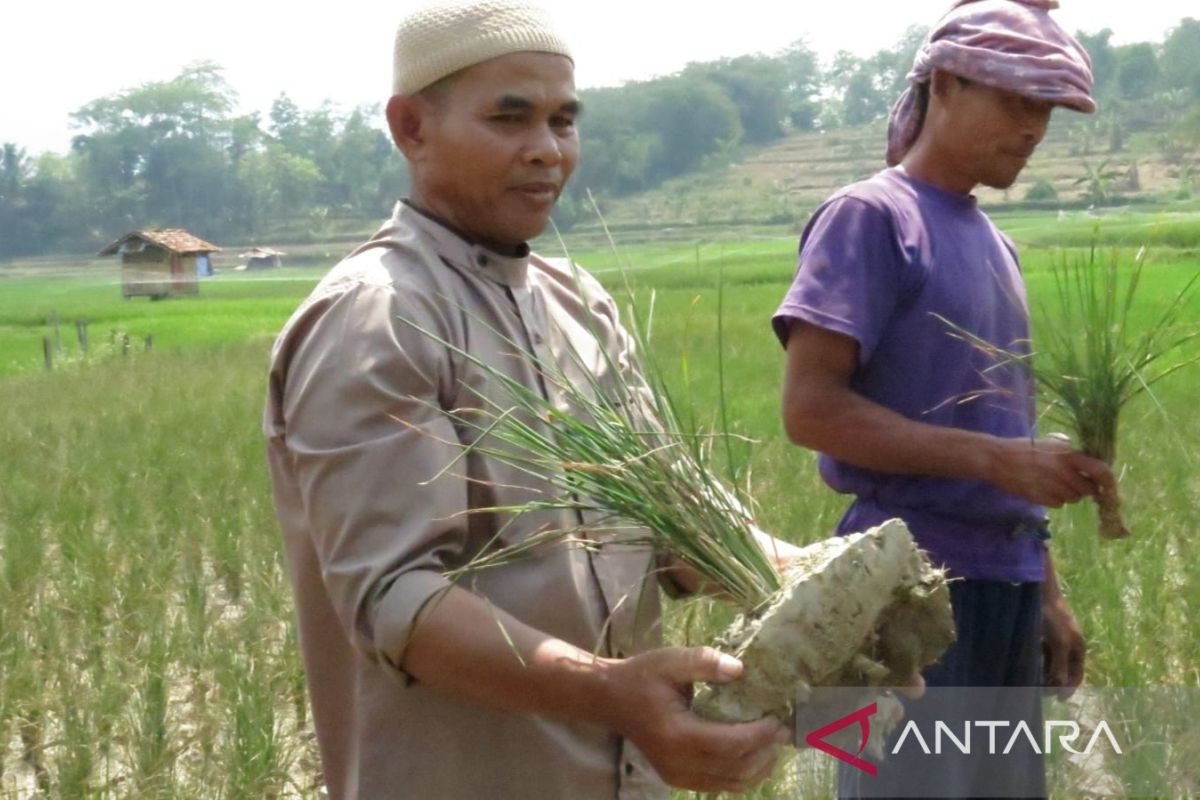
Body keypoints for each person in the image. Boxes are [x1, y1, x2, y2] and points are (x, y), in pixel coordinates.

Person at [263, 4, 794, 798]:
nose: (547, 150)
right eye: (510, 119)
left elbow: (671, 523)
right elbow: (396, 598)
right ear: (411, 128)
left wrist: (803, 583)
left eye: (562, 120)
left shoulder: (578, 304)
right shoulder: (378, 316)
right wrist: (613, 692)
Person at [771, 0, 1117, 796]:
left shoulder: (998, 244)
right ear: (949, 84)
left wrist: (1048, 593)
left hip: (1008, 588)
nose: (1034, 128)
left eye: (1048, 111)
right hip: (900, 595)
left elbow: (1008, 433)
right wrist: (995, 461)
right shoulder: (870, 217)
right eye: (1018, 102)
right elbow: (809, 409)